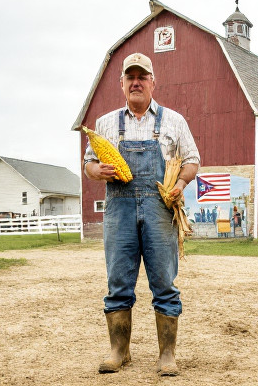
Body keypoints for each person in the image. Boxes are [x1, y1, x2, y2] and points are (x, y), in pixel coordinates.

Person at [83, 52, 200, 376]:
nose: (136, 82)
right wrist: (97, 170)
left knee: (163, 281)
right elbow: (88, 164)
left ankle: (167, 356)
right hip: (118, 209)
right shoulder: (105, 123)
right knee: (118, 281)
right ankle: (119, 351)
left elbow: (192, 159)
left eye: (142, 76)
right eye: (130, 77)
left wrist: (179, 182)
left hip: (159, 207)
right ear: (121, 83)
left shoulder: (174, 121)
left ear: (152, 82)